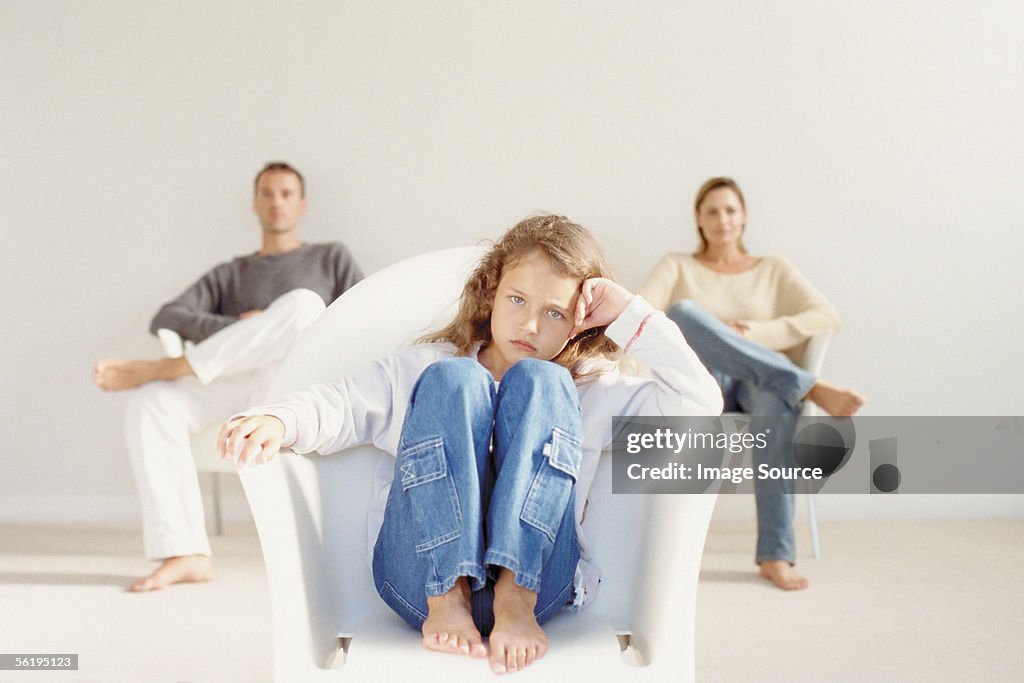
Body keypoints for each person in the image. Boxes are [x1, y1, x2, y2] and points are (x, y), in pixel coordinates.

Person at [217, 215, 723, 675]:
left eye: (554, 313)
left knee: (544, 383)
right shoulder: (425, 369)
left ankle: (514, 598)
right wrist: (278, 419)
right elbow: (342, 404)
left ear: (578, 325)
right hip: (420, 582)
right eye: (518, 300)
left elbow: (699, 403)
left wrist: (629, 313)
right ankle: (448, 594)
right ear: (490, 294)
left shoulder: (589, 391)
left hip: (540, 587)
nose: (529, 325)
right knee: (454, 381)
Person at [93, 162, 364, 592]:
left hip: (293, 389)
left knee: (304, 306)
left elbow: (358, 321)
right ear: (255, 203)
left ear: (302, 204)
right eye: (267, 193)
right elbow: (169, 316)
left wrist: (280, 321)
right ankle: (185, 554)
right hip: (232, 382)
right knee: (152, 403)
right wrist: (241, 326)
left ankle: (168, 369)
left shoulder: (330, 257)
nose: (276, 202)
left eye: (286, 193)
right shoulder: (232, 272)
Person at [640, 176, 865, 591]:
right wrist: (710, 334)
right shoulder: (677, 266)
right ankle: (806, 384)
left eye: (730, 210)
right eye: (712, 211)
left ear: (744, 217)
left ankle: (776, 556)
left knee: (778, 402)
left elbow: (825, 316)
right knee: (686, 313)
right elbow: (641, 317)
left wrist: (756, 335)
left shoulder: (774, 269)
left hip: (758, 380)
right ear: (698, 220)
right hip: (702, 380)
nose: (722, 219)